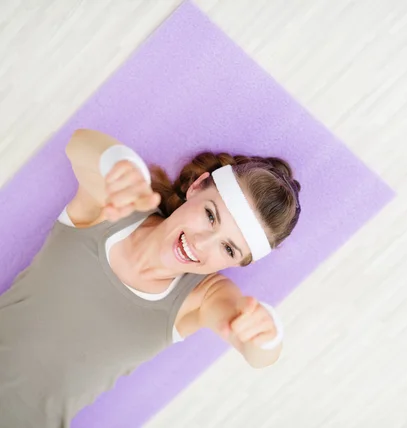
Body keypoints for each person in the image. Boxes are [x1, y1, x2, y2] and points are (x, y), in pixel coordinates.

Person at [0, 129, 302, 428]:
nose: (201, 242)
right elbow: (78, 145)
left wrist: (265, 334)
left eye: (227, 248)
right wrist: (119, 164)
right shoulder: (114, 208)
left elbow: (257, 350)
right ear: (197, 187)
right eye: (211, 216)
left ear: (237, 262)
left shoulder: (202, 296)